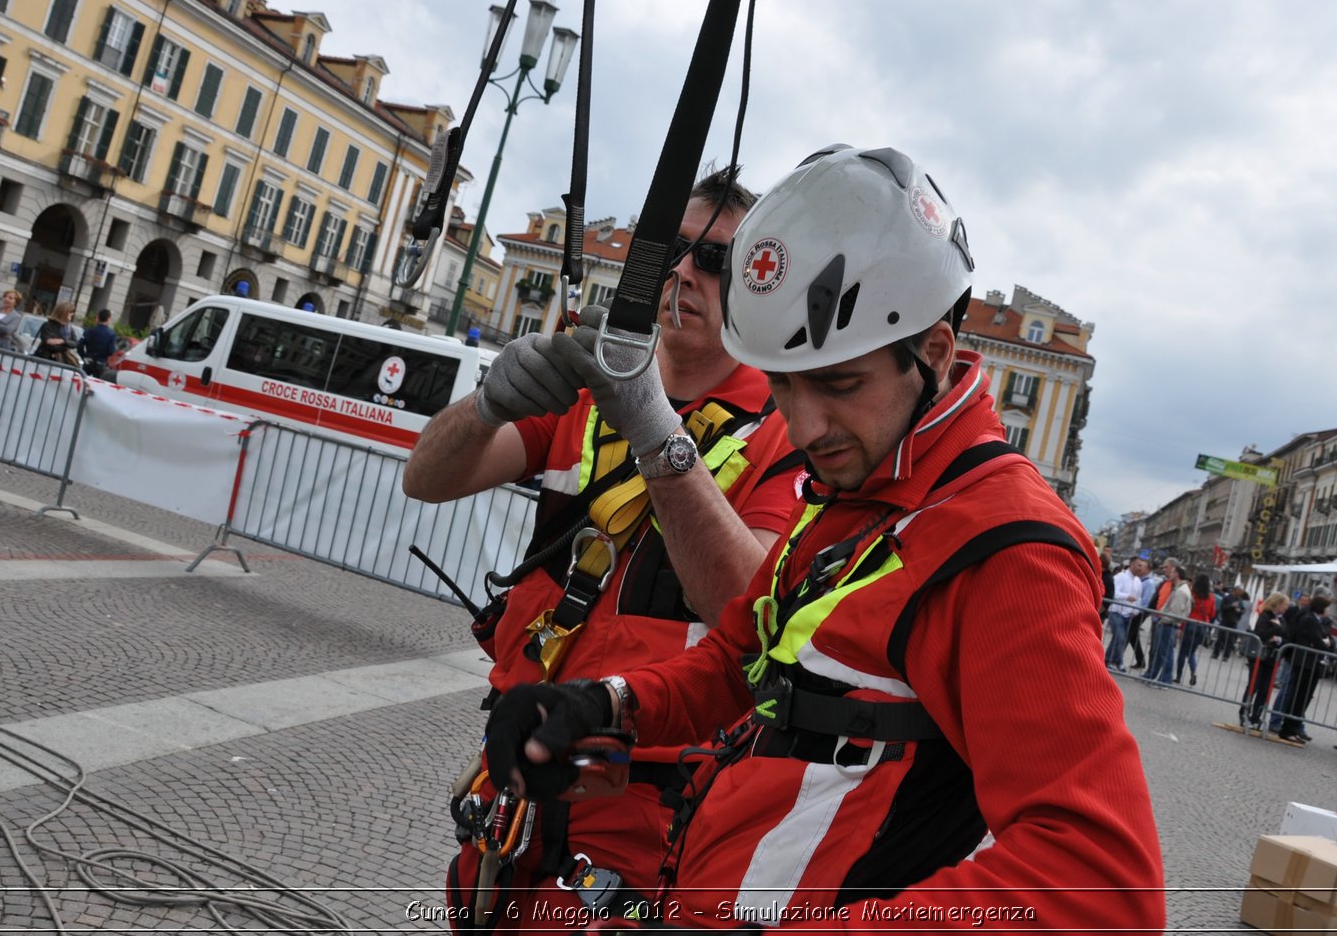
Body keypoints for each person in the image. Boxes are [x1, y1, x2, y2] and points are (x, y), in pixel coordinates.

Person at [482, 144, 1166, 930]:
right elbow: (741, 658)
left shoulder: (1007, 550)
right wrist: (604, 702)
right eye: (781, 385)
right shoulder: (859, 484)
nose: (804, 427)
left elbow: (1101, 881)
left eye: (839, 383)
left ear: (933, 354)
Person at [403, 170, 802, 926]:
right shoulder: (588, 395)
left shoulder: (780, 430)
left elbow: (743, 608)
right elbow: (425, 477)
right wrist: (488, 401)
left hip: (647, 785)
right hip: (522, 745)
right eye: (672, 252)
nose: (685, 272)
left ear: (756, 285)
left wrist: (657, 432)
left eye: (715, 259)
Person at [1270, 591, 1333, 743]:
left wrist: (1326, 642)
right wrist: (1325, 643)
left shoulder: (1316, 620)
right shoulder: (1309, 619)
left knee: (1303, 697)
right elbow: (1319, 641)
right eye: (1327, 607)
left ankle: (1294, 726)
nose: (1328, 611)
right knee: (1296, 695)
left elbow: (1327, 638)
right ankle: (1287, 727)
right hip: (1303, 662)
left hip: (1310, 664)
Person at [1240, 592, 1290, 729]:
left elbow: (1286, 637)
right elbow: (1261, 633)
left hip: (1272, 659)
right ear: (1277, 604)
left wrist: (1278, 637)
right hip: (1259, 657)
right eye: (1284, 605)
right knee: (1253, 686)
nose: (1286, 608)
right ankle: (1244, 714)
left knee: (1265, 689)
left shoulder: (1283, 620)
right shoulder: (1265, 615)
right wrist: (1276, 628)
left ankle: (1256, 717)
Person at [1144, 561, 1190, 686]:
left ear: (1178, 574)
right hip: (1166, 624)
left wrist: (1162, 619)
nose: (1170, 573)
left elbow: (1174, 613)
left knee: (1166, 654)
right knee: (1162, 652)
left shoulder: (1181, 591)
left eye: (1173, 572)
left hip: (1168, 625)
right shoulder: (1179, 588)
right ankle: (1155, 677)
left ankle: (1165, 680)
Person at [1105, 556, 1147, 670]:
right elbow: (1114, 593)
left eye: (1142, 566)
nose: (1140, 568)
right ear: (1132, 564)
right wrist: (1126, 597)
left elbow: (1138, 598)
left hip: (1128, 615)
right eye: (1139, 565)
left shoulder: (1138, 581)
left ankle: (1109, 660)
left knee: (1117, 639)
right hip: (1116, 611)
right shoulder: (1120, 577)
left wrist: (1136, 610)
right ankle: (1116, 661)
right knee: (1121, 638)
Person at [1175, 574, 1216, 685]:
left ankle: (1178, 676)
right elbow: (1212, 614)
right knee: (1191, 652)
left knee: (1183, 652)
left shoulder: (1192, 594)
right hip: (1202, 626)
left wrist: (1180, 628)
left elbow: (1186, 611)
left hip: (1190, 624)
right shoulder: (1211, 597)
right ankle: (1193, 673)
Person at [33, 301, 81, 365]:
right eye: (70, 312)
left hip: (60, 361)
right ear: (63, 312)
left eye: (72, 312)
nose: (72, 314)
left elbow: (75, 343)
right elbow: (51, 345)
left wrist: (63, 341)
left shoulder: (68, 328)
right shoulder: (48, 325)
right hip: (44, 360)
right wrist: (66, 346)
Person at [78, 308, 119, 379]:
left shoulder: (89, 331)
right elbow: (111, 351)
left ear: (98, 318)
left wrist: (84, 356)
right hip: (101, 363)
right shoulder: (111, 334)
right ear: (108, 319)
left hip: (88, 360)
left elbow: (79, 345)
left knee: (83, 380)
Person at [1212, 586, 1249, 660]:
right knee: (1220, 638)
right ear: (1235, 591)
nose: (1240, 594)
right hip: (1225, 620)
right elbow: (1222, 608)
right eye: (1240, 592)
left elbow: (1243, 610)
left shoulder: (1240, 600)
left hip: (1233, 622)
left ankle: (1226, 656)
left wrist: (1240, 611)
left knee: (1230, 640)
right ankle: (1215, 653)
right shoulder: (1227, 598)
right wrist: (1231, 606)